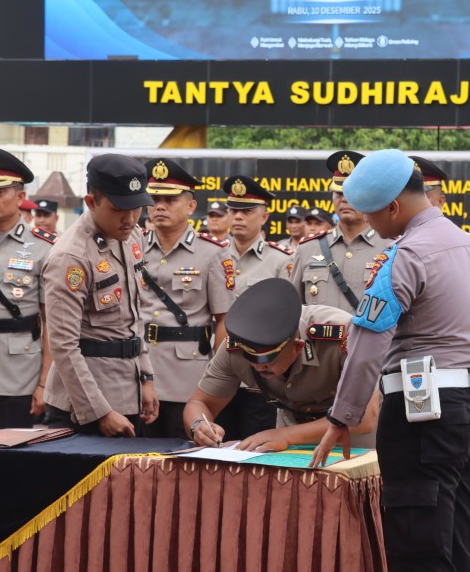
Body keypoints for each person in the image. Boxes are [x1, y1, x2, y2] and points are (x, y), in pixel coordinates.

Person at [311, 149, 470, 572]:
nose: (370, 224)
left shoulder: (406, 255)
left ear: (393, 207)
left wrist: (341, 417)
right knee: (455, 546)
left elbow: (367, 343)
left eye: (372, 214)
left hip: (422, 417)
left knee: (418, 549)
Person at [184, 278, 378, 449]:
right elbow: (200, 402)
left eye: (266, 360)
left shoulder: (344, 336)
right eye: (250, 359)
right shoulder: (235, 347)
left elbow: (363, 418)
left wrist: (286, 436)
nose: (258, 367)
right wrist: (199, 426)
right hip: (287, 437)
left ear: (298, 346)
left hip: (351, 440)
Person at [42, 154, 159, 436]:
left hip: (127, 390)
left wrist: (146, 377)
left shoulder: (132, 237)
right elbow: (63, 345)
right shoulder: (71, 256)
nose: (130, 218)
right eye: (118, 209)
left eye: (136, 208)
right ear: (91, 202)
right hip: (83, 404)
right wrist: (100, 412)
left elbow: (134, 317)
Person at [139, 157, 234, 438]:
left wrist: (216, 379)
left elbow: (224, 320)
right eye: (155, 199)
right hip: (139, 372)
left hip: (187, 375)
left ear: (191, 207)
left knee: (182, 454)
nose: (160, 206)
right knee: (133, 455)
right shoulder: (134, 246)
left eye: (170, 200)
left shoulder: (212, 252)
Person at [0, 148, 56, 428]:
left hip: (19, 372)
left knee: (12, 446)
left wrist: (44, 382)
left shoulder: (44, 246)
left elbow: (51, 323)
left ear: (20, 197)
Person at [218, 175, 294, 439]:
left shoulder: (281, 260)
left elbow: (288, 318)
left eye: (247, 211)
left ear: (264, 217)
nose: (238, 216)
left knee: (258, 446)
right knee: (219, 447)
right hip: (222, 371)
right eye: (233, 210)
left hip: (262, 374)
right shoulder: (214, 256)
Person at [289, 149, 381, 313]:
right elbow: (292, 309)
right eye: (339, 193)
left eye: (352, 192)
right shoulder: (308, 248)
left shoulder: (390, 247)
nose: (344, 199)